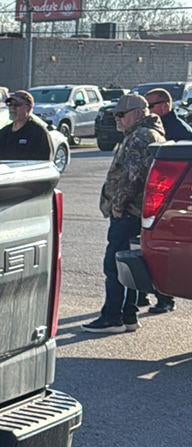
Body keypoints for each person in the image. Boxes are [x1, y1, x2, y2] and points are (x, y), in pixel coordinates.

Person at [87, 93, 165, 333]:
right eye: (115, 115)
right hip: (137, 213)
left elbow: (132, 178)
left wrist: (118, 206)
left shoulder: (140, 136)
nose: (118, 119)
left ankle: (113, 316)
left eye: (121, 115)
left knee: (114, 265)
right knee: (128, 267)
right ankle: (128, 315)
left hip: (129, 212)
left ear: (138, 113)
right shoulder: (144, 134)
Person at [140, 87, 185, 313]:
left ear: (165, 106)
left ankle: (166, 299)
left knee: (163, 251)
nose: (147, 111)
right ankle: (143, 294)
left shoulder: (179, 132)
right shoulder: (155, 127)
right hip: (154, 196)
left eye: (151, 106)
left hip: (170, 202)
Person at [0, 90, 52, 162]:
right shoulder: (2, 133)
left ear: (28, 108)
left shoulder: (38, 133)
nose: (12, 108)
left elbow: (44, 164)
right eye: (10, 104)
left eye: (17, 104)